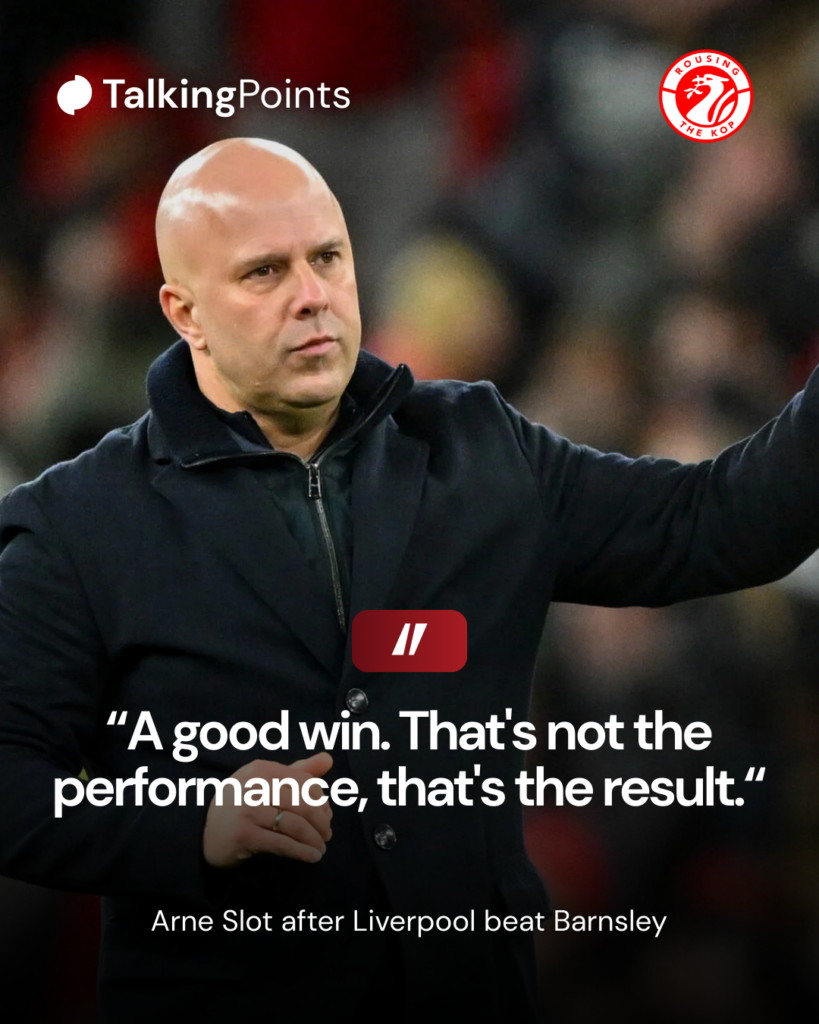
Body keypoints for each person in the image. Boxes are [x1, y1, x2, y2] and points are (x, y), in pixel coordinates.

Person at [2, 137, 819, 1023]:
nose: (312, 296)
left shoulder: (481, 448)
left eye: (327, 258)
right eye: (264, 273)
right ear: (183, 310)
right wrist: (189, 824)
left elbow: (712, 525)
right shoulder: (76, 523)